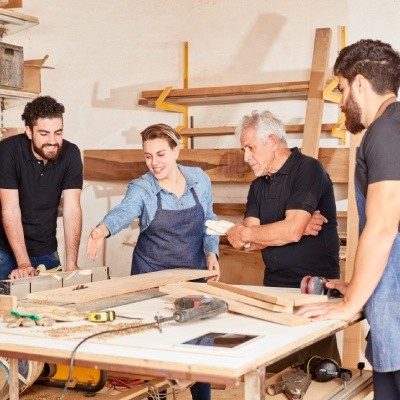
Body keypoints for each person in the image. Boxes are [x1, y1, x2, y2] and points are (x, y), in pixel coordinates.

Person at [296, 39, 400, 400]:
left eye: (341, 89)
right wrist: (357, 283)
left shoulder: (385, 132)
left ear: (359, 83)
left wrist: (350, 302)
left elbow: (385, 225)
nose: (340, 102)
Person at [87, 123, 220, 400]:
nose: (154, 163)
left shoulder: (198, 179)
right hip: (151, 277)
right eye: (148, 156)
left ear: (177, 149)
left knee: (199, 345)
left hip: (191, 275)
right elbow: (125, 210)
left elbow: (209, 219)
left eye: (160, 154)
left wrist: (211, 252)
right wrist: (102, 229)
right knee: (156, 346)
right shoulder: (143, 188)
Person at [226, 110, 341, 369]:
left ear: (272, 141)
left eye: (250, 148)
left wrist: (251, 232)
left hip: (314, 288)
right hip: (275, 286)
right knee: (276, 368)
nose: (246, 157)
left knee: (320, 370)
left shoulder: (308, 169)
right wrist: (287, 229)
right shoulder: (259, 185)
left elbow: (262, 234)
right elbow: (250, 244)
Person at [0, 96, 83, 280]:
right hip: (4, 249)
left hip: (45, 247)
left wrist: (71, 263)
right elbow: (10, 209)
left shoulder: (71, 153)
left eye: (58, 132)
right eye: (44, 134)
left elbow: (72, 209)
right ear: (29, 131)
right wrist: (23, 263)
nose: (53, 141)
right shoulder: (8, 151)